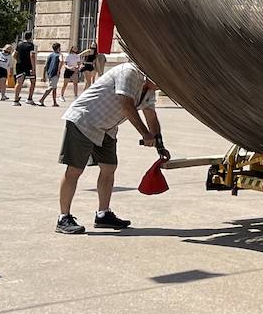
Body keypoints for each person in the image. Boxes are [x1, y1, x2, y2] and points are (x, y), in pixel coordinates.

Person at [56, 62, 168, 234]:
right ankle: (63, 218)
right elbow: (126, 105)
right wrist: (145, 134)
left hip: (107, 128)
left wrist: (159, 144)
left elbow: (151, 115)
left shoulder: (150, 90)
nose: (162, 87)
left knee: (109, 168)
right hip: (84, 120)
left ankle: (103, 214)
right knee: (74, 169)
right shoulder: (129, 72)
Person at [13, 31, 38, 106]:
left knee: (19, 82)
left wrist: (18, 60)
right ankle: (29, 98)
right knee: (33, 81)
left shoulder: (19, 44)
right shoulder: (31, 45)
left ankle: (15, 100)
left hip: (19, 65)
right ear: (31, 37)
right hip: (28, 66)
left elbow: (14, 54)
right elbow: (32, 56)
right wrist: (33, 68)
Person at [38, 42, 63, 107]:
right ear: (58, 48)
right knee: (51, 87)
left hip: (49, 73)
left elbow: (45, 66)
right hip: (55, 73)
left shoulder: (50, 55)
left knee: (54, 88)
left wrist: (44, 75)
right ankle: (41, 99)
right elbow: (61, 61)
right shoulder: (59, 55)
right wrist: (58, 71)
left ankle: (54, 102)